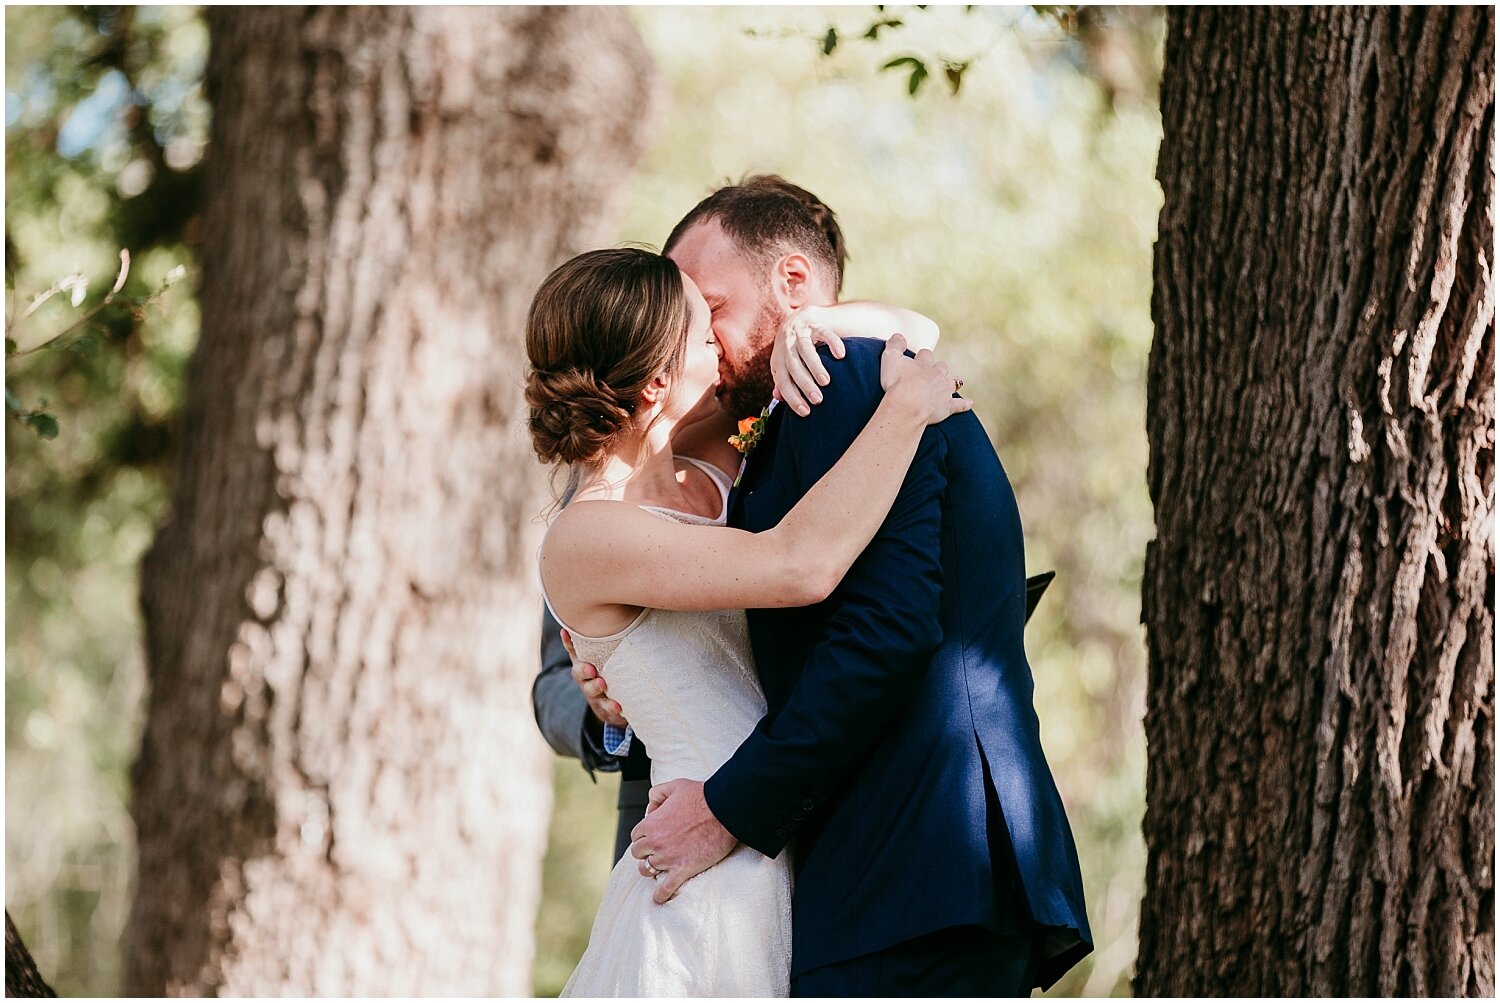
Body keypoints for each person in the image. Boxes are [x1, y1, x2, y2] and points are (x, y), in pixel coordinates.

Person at [613, 176, 1093, 996]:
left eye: (710, 307)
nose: (695, 337)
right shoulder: (798, 407)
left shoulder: (843, 378)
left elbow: (885, 630)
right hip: (901, 879)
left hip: (915, 867)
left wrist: (726, 809)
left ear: (793, 283)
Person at [526, 245, 968, 996]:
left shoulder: (713, 465)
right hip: (701, 875)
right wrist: (904, 411)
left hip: (781, 840)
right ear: (660, 382)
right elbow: (799, 565)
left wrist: (811, 322)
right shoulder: (585, 535)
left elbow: (913, 323)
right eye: (705, 333)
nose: (725, 347)